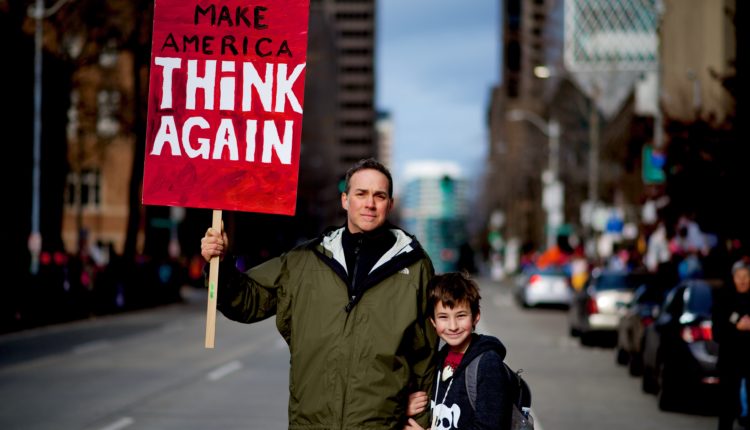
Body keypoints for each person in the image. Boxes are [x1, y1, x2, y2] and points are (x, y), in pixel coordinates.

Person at [200, 158, 437, 430]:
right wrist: (220, 263)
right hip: (311, 423)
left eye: (379, 196)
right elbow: (245, 301)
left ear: (390, 204)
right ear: (345, 200)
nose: (370, 203)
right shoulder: (304, 261)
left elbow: (427, 356)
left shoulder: (415, 266)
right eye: (361, 194)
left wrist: (420, 422)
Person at [404, 272, 513, 430]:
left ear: (475, 317)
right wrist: (405, 409)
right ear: (433, 321)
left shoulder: (487, 364)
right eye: (443, 317)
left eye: (461, 315)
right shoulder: (439, 359)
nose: (453, 326)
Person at [714, 260, 750, 430]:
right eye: (739, 277)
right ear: (733, 278)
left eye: (746, 276)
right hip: (730, 360)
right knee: (727, 406)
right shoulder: (724, 299)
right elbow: (717, 332)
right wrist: (736, 326)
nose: (742, 280)